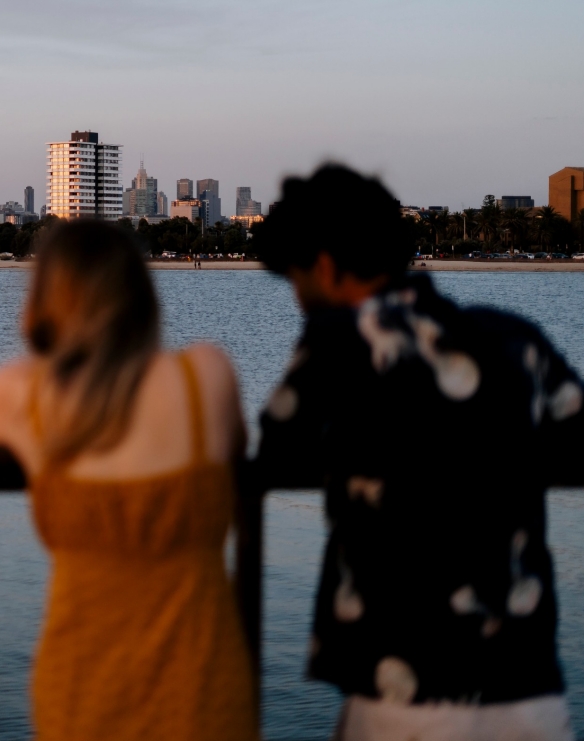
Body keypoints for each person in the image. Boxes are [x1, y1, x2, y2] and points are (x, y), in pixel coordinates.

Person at [252, 163, 581, 741]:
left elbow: (280, 448)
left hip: (404, 685)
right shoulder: (517, 338)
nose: (301, 304)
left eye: (298, 284)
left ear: (325, 268)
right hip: (528, 687)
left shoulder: (343, 338)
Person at [0, 220, 258, 741]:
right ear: (141, 293)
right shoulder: (204, 377)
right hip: (204, 695)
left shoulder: (22, 396)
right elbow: (235, 449)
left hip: (80, 694)